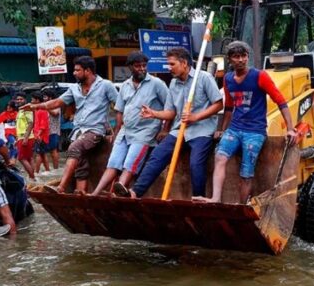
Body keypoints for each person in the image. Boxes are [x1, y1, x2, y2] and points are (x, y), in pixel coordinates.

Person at [117, 46, 224, 200]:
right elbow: (171, 112)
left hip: (202, 130)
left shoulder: (204, 78)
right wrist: (154, 113)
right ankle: (135, 192)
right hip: (178, 130)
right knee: (157, 156)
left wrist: (196, 117)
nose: (169, 68)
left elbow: (218, 104)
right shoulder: (173, 84)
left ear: (185, 63)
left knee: (196, 164)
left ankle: (198, 199)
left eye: (172, 64)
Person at [209, 41, 299, 204]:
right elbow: (229, 107)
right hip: (235, 129)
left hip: (255, 131)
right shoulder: (228, 79)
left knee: (246, 171)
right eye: (236, 56)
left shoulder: (260, 76)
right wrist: (223, 129)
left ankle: (242, 207)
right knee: (220, 157)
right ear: (230, 59)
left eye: (244, 56)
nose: (241, 60)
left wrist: (290, 129)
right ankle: (215, 198)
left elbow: (280, 101)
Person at [37, 56, 119, 194]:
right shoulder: (74, 88)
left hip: (95, 130)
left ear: (87, 71)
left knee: (74, 148)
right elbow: (58, 102)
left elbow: (120, 107)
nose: (74, 73)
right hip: (78, 131)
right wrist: (36, 106)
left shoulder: (106, 85)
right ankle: (80, 192)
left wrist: (116, 131)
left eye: (77, 70)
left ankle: (61, 187)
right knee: (81, 162)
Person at [91, 51, 169, 195]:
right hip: (125, 132)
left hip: (145, 132)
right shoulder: (125, 85)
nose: (142, 69)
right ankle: (95, 193)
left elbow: (170, 108)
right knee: (113, 163)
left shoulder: (157, 84)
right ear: (130, 67)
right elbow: (119, 111)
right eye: (138, 66)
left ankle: (119, 190)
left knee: (130, 163)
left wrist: (165, 129)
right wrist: (116, 132)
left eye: (144, 66)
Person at [14, 97, 37, 179]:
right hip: (22, 137)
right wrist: (17, 139)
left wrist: (25, 138)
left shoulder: (27, 109)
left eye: (21, 99)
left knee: (21, 158)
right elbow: (19, 126)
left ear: (25, 100)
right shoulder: (20, 110)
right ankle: (32, 178)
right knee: (29, 158)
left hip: (26, 136)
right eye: (18, 99)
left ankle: (33, 178)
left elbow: (31, 123)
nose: (19, 101)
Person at [30, 91, 52, 173]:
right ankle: (47, 170)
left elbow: (43, 125)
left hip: (41, 136)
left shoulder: (42, 110)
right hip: (41, 135)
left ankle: (36, 172)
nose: (31, 100)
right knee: (43, 154)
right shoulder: (38, 110)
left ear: (37, 100)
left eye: (33, 99)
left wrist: (38, 135)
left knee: (38, 154)